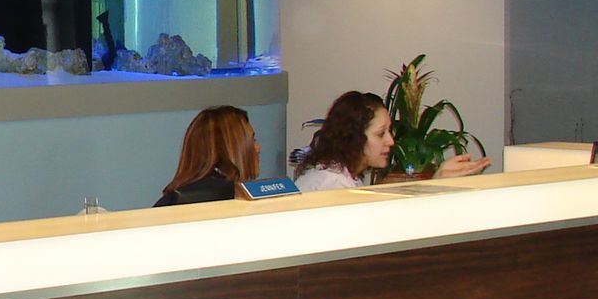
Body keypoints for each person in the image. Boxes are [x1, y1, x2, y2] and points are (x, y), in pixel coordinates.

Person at [292, 90, 489, 191]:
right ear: (354, 138)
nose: (391, 141)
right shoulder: (332, 184)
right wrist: (436, 184)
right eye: (380, 134)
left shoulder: (345, 177)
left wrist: (437, 182)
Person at [155, 105, 260, 206]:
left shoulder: (171, 200)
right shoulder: (230, 199)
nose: (258, 148)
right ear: (231, 148)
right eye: (252, 140)